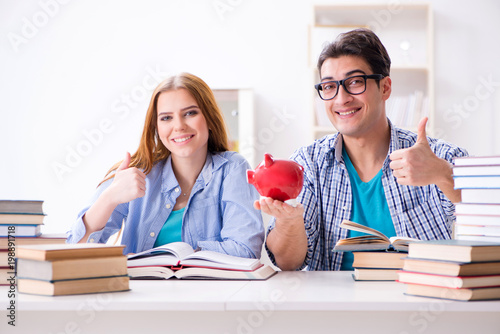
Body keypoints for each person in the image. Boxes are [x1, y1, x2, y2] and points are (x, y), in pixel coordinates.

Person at [257, 28, 468, 271]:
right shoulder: (308, 164)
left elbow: (487, 217)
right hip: (337, 306)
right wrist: (289, 223)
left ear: (385, 88)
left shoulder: (438, 157)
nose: (341, 98)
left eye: (355, 82)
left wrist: (442, 174)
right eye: (328, 87)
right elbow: (288, 263)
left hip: (419, 298)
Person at [67, 73, 264, 259]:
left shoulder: (233, 169)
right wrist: (108, 198)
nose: (178, 126)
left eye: (190, 113)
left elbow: (245, 250)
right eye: (166, 118)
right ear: (157, 127)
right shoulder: (137, 173)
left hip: (211, 294)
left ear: (209, 119)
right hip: (141, 293)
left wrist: (182, 253)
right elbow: (75, 251)